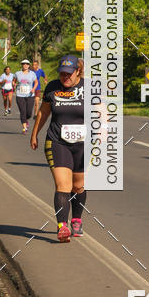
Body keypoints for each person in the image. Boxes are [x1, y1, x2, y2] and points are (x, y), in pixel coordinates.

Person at [31, 55, 86, 242]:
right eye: (62, 74)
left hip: (83, 144)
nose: (65, 77)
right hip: (57, 141)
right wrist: (34, 133)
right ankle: (62, 226)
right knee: (63, 185)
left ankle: (76, 220)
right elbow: (44, 112)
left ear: (78, 71)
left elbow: (102, 112)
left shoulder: (89, 88)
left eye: (69, 74)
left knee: (78, 186)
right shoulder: (53, 87)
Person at [14, 59, 39, 133]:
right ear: (22, 65)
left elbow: (36, 82)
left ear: (29, 65)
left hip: (30, 95)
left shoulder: (32, 74)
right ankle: (24, 128)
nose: (25, 65)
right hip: (19, 95)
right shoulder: (17, 73)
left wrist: (34, 89)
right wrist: (14, 84)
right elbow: (14, 80)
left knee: (29, 113)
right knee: (23, 111)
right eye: (24, 64)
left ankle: (25, 120)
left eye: (27, 64)